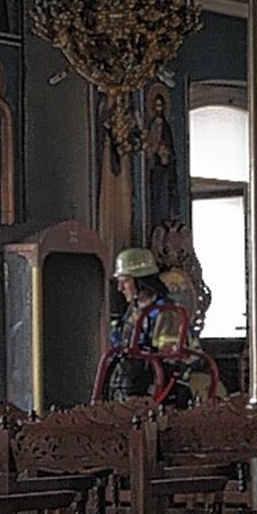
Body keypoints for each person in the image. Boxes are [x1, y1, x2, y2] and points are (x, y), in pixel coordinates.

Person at [104, 247, 180, 401]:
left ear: (141, 282)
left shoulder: (165, 311)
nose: (120, 288)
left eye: (125, 281)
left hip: (153, 384)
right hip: (127, 379)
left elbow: (168, 356)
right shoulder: (134, 310)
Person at [145, 90, 178, 226]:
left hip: (165, 164)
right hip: (156, 164)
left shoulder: (166, 126)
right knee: (156, 193)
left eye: (161, 106)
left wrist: (166, 152)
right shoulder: (153, 124)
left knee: (167, 191)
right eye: (157, 106)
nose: (159, 109)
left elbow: (169, 144)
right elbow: (151, 143)